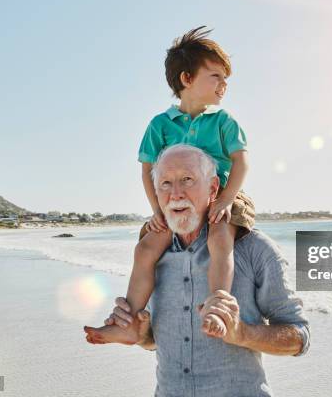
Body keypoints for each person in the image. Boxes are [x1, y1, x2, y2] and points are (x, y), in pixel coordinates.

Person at [84, 145, 310, 396]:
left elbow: (299, 338)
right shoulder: (151, 255)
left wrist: (242, 333)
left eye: (187, 180)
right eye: (165, 184)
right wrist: (141, 334)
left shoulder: (254, 248)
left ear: (213, 188)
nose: (176, 193)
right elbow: (154, 343)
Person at [85, 25, 253, 341]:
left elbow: (241, 163)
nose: (223, 84)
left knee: (220, 236)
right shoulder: (160, 125)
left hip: (223, 195)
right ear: (186, 79)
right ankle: (127, 322)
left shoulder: (224, 122)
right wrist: (156, 211)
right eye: (215, 76)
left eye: (226, 79)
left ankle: (218, 305)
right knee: (147, 247)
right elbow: (147, 171)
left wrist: (227, 200)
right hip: (176, 201)